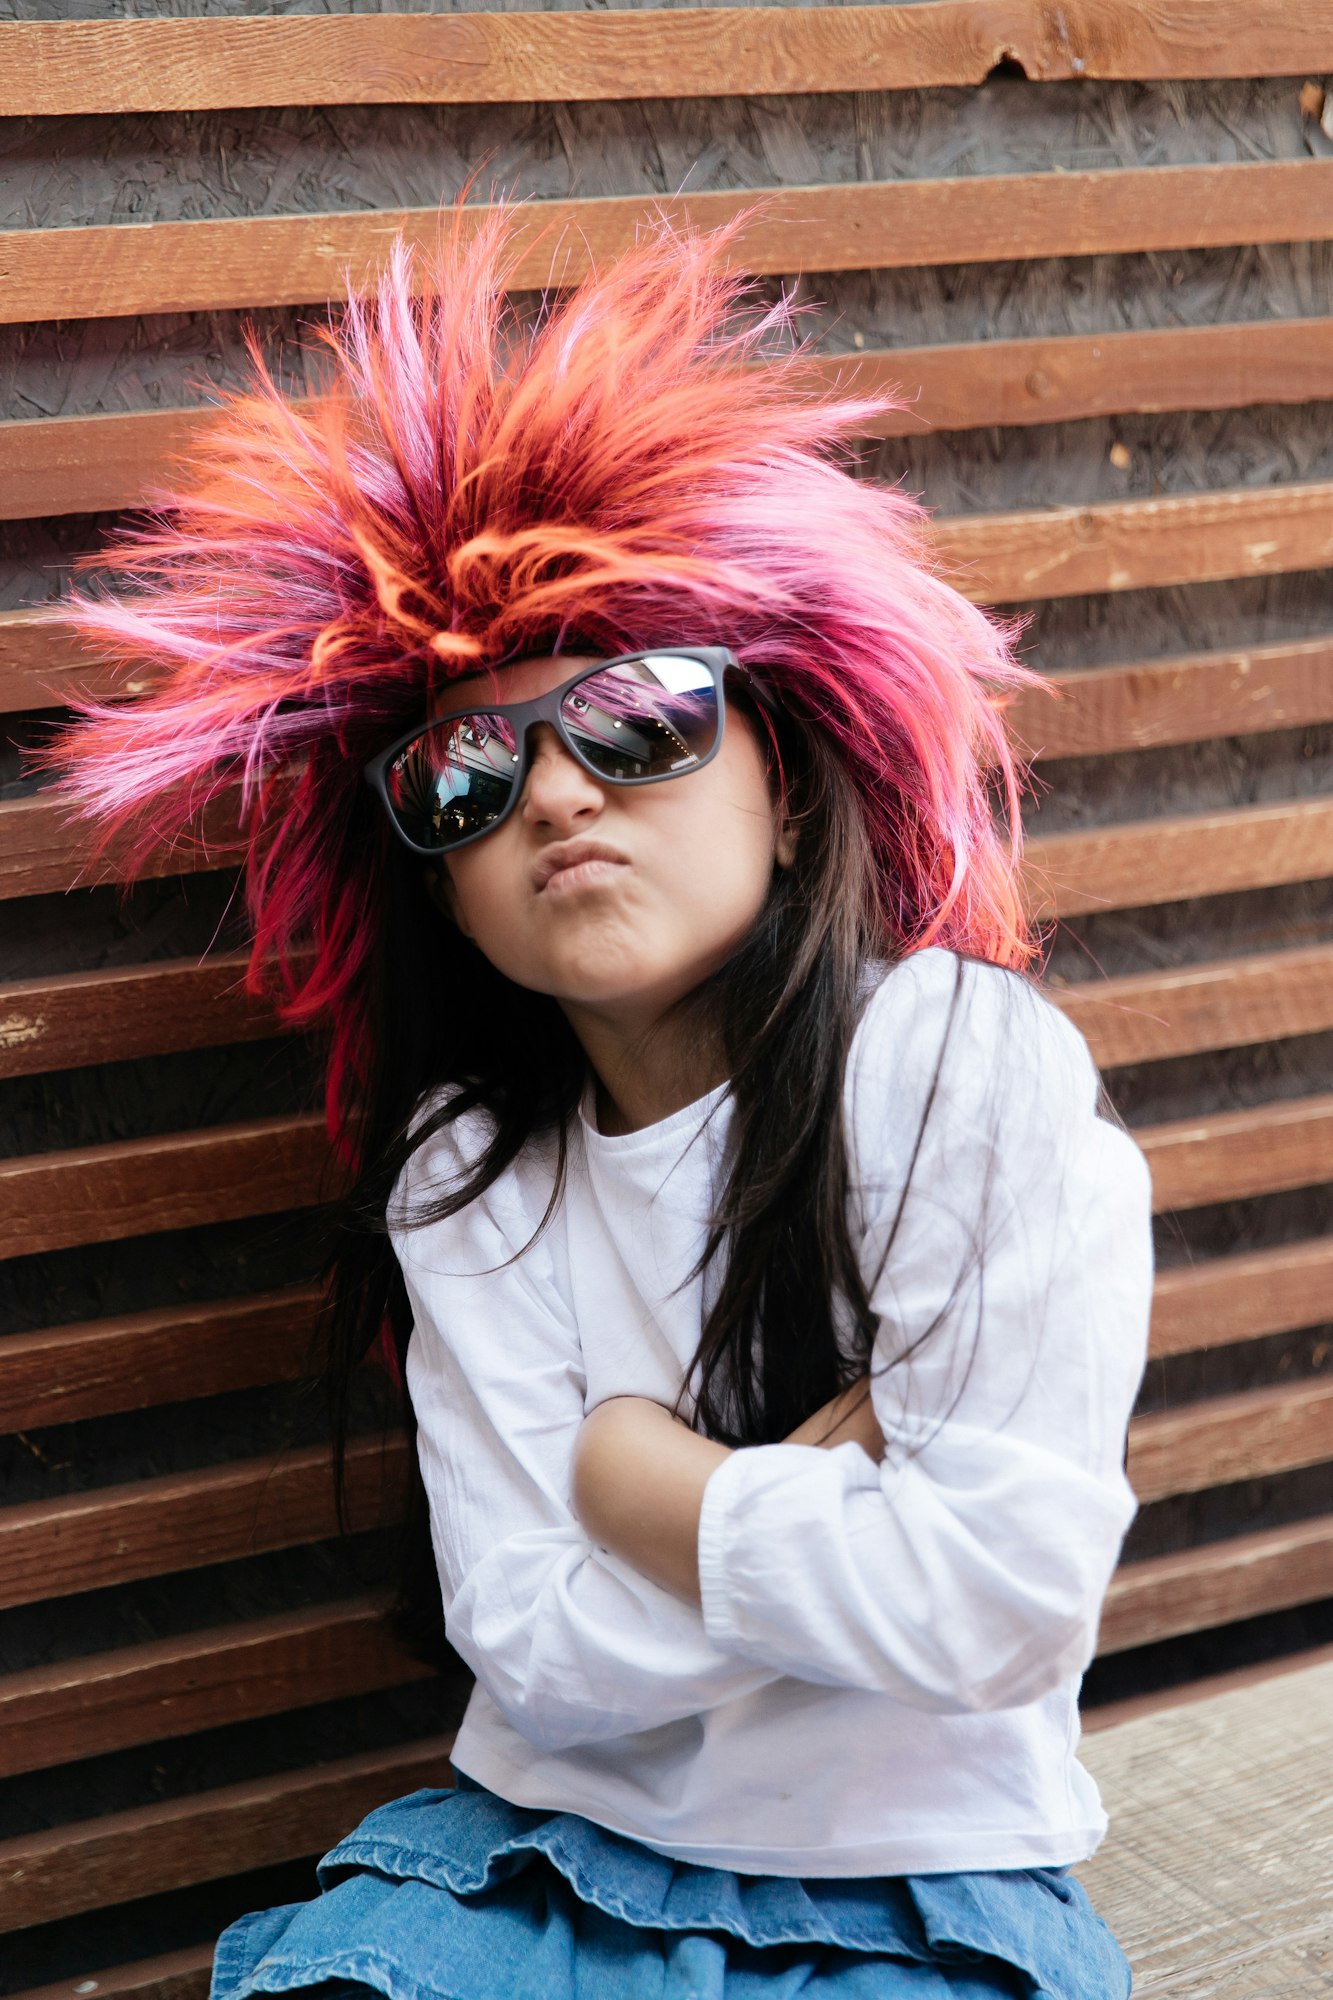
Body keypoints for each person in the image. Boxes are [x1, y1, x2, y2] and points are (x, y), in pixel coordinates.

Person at [54, 208, 1153, 1999]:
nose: (556, 794)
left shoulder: (954, 1062)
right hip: (542, 1856)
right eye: (466, 776)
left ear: (788, 786)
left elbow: (1002, 1602)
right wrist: (803, 1495)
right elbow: (525, 1647)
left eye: (641, 722)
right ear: (440, 883)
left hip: (924, 1878)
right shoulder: (467, 1181)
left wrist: (644, 1496)